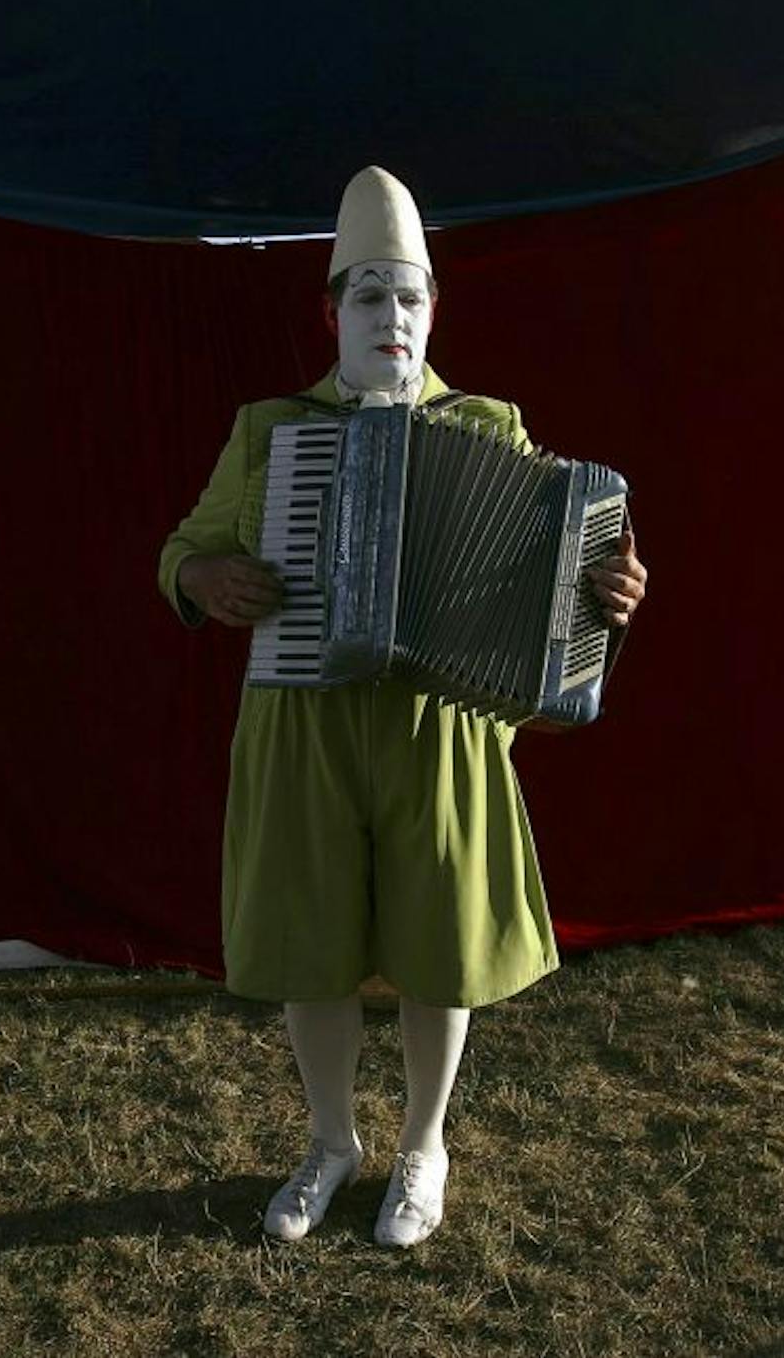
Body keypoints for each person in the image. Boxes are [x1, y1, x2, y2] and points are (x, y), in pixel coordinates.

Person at [157, 166, 647, 1247]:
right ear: (331, 312)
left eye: (410, 297)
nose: (393, 317)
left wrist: (608, 592)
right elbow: (185, 546)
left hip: (445, 733)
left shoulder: (491, 426)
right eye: (370, 296)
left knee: (441, 942)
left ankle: (424, 1143)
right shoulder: (269, 430)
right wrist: (200, 580)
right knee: (309, 940)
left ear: (434, 310)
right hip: (302, 723)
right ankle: (331, 1143)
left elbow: (556, 576)